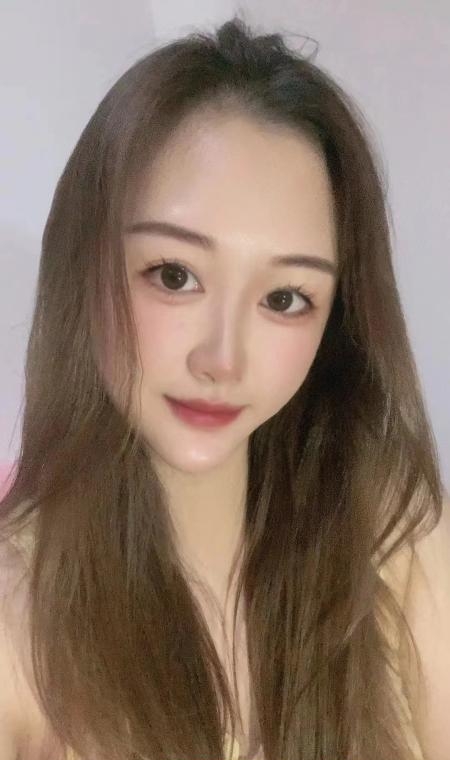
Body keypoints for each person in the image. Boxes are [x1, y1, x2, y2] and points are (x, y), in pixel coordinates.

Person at [0, 14, 449, 760]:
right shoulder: (18, 626)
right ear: (86, 265)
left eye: (285, 298)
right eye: (174, 276)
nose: (223, 359)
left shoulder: (390, 527)